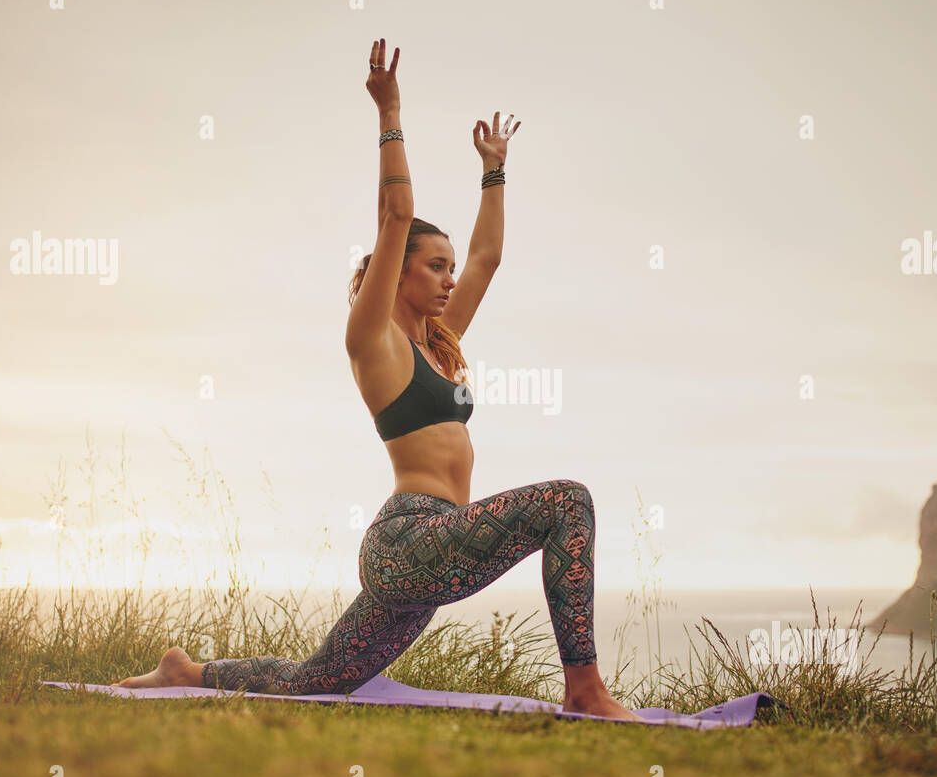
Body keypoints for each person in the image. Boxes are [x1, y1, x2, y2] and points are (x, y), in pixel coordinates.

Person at [119, 38, 641, 721]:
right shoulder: (376, 339)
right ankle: (585, 690)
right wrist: (389, 111)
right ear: (397, 272)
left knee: (318, 679)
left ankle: (186, 670)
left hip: (436, 546)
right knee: (566, 501)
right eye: (435, 266)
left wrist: (495, 173)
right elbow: (396, 216)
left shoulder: (440, 344)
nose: (450, 278)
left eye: (448, 268)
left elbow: (487, 259)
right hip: (409, 540)